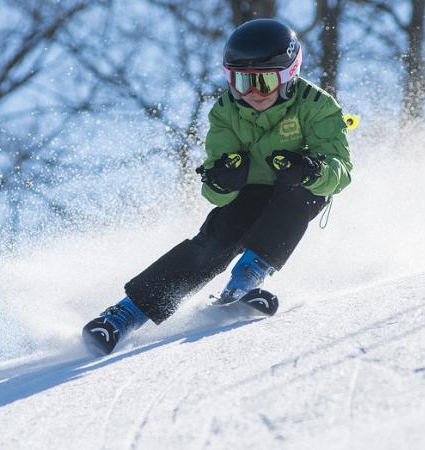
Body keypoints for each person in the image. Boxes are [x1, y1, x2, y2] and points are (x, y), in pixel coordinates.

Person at [82, 18, 353, 355]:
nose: (252, 93)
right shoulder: (226, 112)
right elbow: (214, 191)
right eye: (240, 82)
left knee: (302, 195)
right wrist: (222, 180)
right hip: (250, 191)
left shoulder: (317, 105)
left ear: (288, 76)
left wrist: (311, 169)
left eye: (264, 82)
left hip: (296, 188)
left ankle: (245, 281)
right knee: (217, 239)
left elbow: (341, 172)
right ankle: (124, 315)